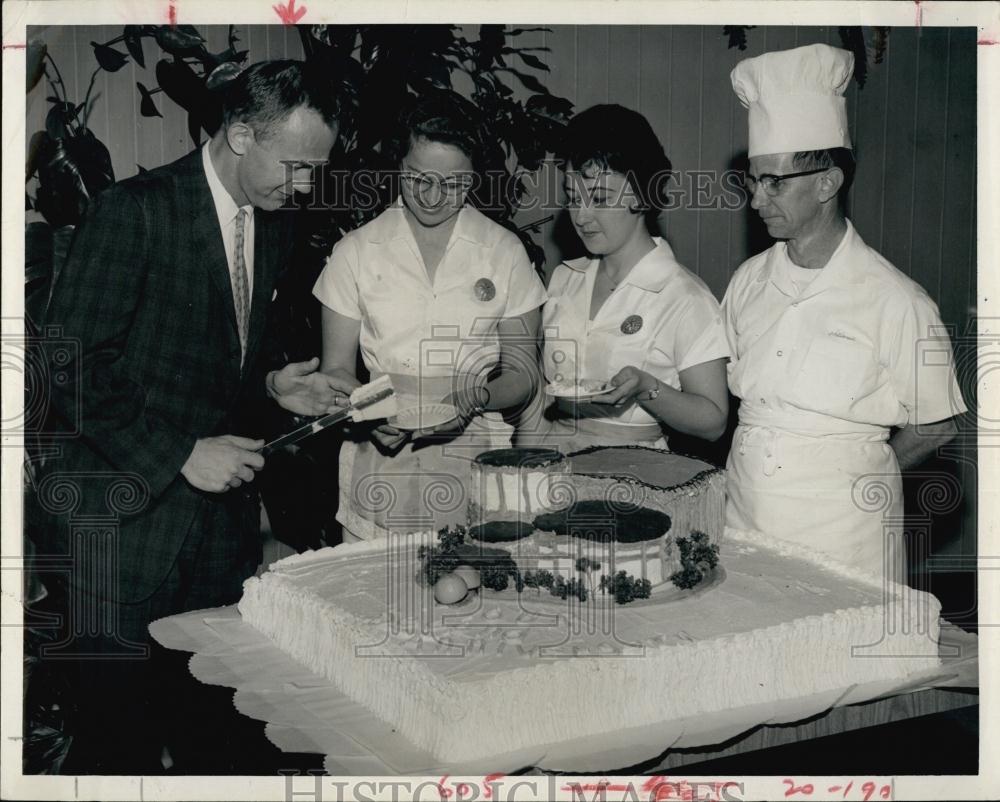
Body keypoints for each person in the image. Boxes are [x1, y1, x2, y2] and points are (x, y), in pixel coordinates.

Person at [35, 60, 354, 773]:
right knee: (119, 752)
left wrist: (276, 385)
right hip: (118, 531)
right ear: (241, 135)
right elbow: (67, 364)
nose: (305, 186)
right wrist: (180, 452)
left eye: (316, 169)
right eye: (297, 165)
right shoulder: (136, 209)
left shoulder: (271, 221)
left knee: (221, 740)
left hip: (215, 538)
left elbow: (222, 357)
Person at [724, 44, 966, 585]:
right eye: (754, 179)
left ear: (827, 183)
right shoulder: (747, 283)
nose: (758, 198)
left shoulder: (895, 300)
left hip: (842, 536)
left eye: (775, 182)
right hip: (744, 519)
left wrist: (851, 474)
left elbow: (935, 426)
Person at [314, 94, 547, 540]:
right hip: (381, 458)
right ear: (399, 163)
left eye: (454, 184)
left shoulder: (504, 251)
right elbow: (337, 370)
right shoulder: (355, 252)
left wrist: (470, 399)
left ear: (474, 178)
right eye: (419, 177)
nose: (433, 196)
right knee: (374, 597)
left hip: (476, 453)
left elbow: (523, 375)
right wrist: (367, 413)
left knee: (471, 591)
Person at [537, 104, 730, 453]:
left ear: (642, 194)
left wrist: (646, 388)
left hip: (634, 471)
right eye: (572, 197)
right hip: (554, 458)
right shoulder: (565, 279)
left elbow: (713, 421)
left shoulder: (684, 297)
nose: (581, 216)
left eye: (600, 198)